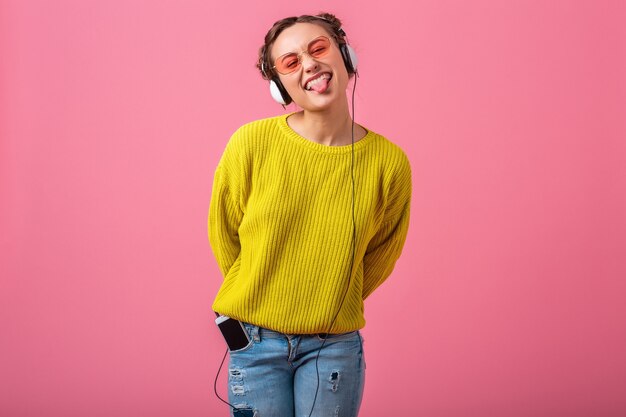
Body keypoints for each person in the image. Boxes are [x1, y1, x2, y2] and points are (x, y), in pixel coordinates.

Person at [208, 12, 411, 417]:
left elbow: (381, 254)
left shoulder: (389, 162)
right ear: (278, 85)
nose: (310, 65)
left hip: (333, 347)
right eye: (290, 62)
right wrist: (262, 291)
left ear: (345, 55)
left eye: (318, 49)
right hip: (255, 342)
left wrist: (328, 295)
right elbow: (225, 234)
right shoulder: (250, 144)